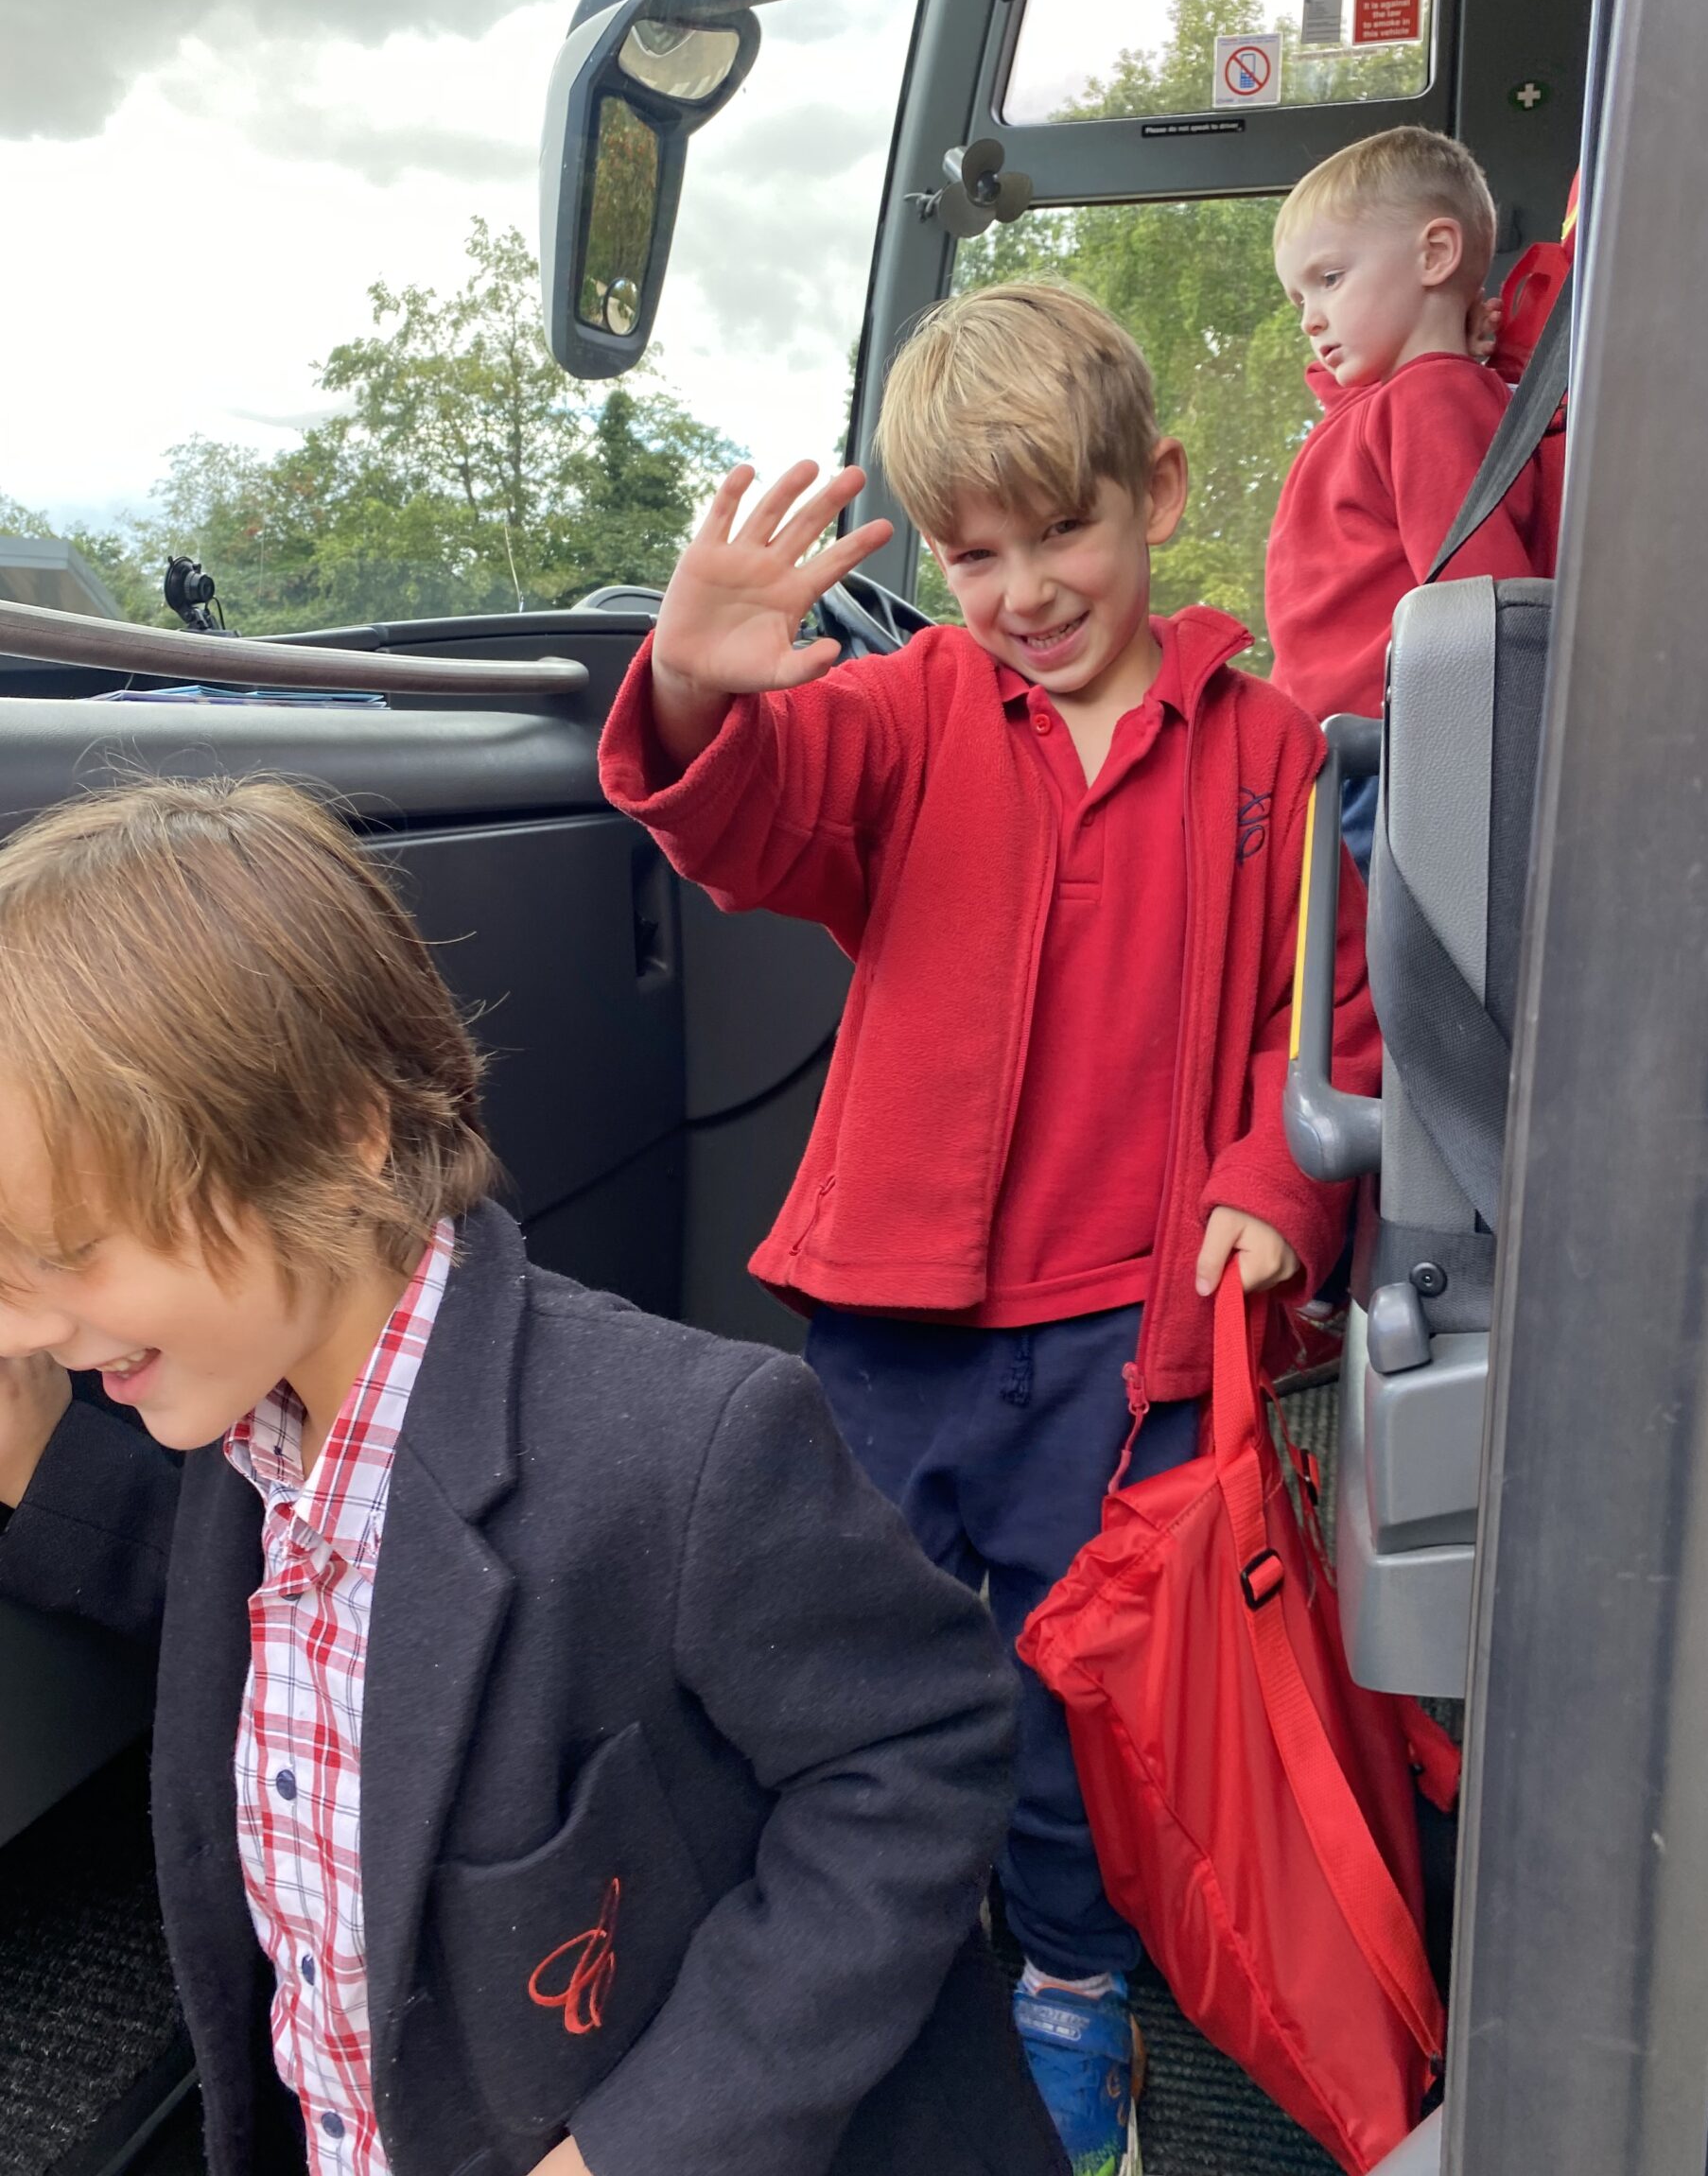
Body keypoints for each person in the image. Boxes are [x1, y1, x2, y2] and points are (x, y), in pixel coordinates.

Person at [0, 777, 1068, 2176]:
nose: (27, 1324)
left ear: (338, 1133)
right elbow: (276, 1595)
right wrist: (36, 1458)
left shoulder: (692, 1451)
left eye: (72, 1253)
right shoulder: (243, 1440)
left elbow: (914, 1759)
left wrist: (646, 2144)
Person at [597, 280, 1376, 2176]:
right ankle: (824, 1951)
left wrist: (1275, 1192)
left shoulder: (1273, 750)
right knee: (831, 1646)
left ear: (1160, 489)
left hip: (1133, 1331)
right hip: (894, 1319)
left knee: (1069, 1683)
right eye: (972, 551)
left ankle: (1068, 1980)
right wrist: (698, 679)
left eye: (1063, 532)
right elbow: (756, 815)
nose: (1021, 588)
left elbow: (1329, 1016)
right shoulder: (917, 710)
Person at [1267, 126, 1561, 871]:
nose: (1309, 317)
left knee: (1408, 978)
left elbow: (1479, 601)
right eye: (1299, 296)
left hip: (1403, 760)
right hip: (1364, 755)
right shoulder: (1383, 408)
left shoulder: (1429, 399)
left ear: (1435, 255)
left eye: (1329, 279)